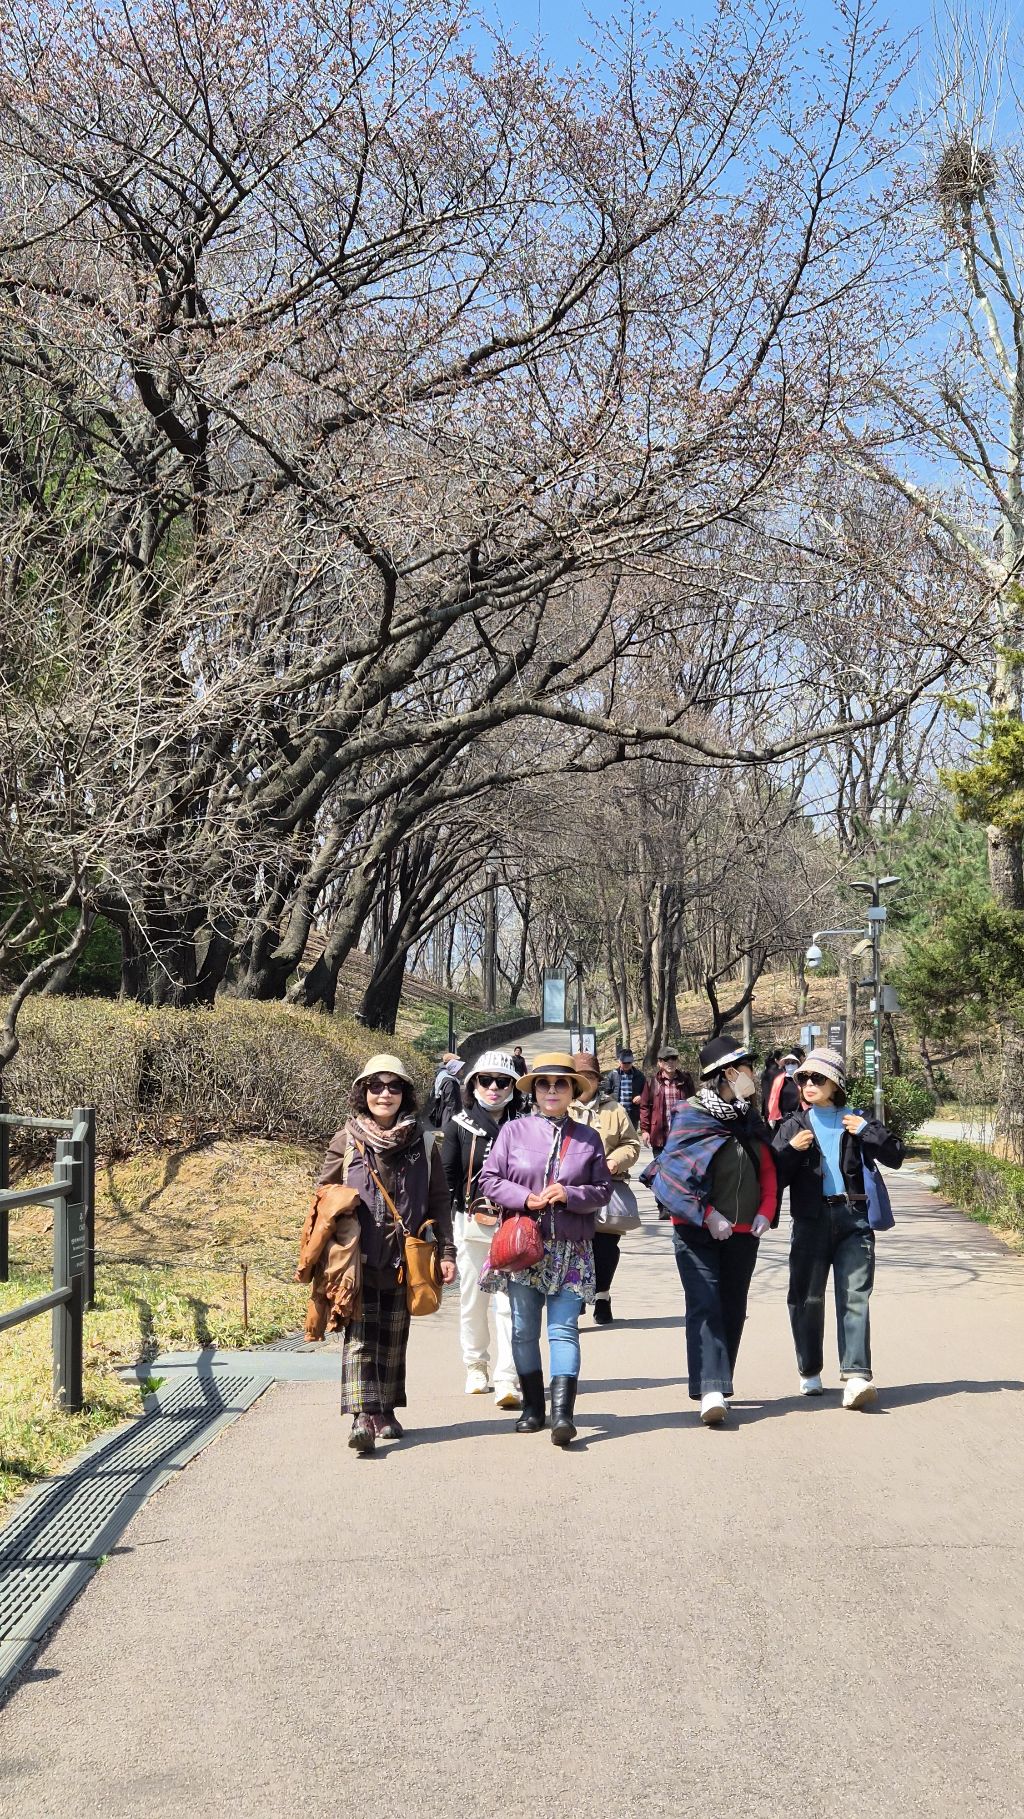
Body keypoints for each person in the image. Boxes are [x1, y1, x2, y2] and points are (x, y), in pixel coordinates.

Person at [318, 1053, 457, 1455]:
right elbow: (323, 1194)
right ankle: (362, 1417)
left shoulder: (423, 1142)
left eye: (393, 1086)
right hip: (356, 1257)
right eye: (375, 1086)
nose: (384, 1094)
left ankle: (386, 1410)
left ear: (405, 1094)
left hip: (404, 1256)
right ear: (363, 1093)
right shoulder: (346, 1140)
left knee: (394, 1338)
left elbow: (439, 1199)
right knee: (360, 1336)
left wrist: (446, 1251)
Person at [478, 1050, 613, 1446]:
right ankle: (533, 1408)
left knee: (564, 1329)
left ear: (572, 1090)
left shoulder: (588, 1138)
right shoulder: (513, 1132)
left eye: (560, 1084)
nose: (552, 1090)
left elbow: (603, 1189)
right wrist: (525, 1197)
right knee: (523, 1330)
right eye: (544, 1083)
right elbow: (489, 1179)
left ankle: (563, 1414)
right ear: (534, 1090)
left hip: (571, 1247)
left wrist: (570, 1194)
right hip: (523, 1246)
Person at [645, 1034, 777, 1426]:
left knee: (733, 1307)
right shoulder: (691, 1115)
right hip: (696, 1230)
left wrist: (766, 1210)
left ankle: (721, 1380)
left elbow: (767, 1166)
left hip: (744, 1231)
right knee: (705, 1303)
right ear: (729, 1073)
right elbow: (672, 1175)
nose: (753, 1074)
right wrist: (707, 1215)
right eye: (747, 1068)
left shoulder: (750, 1118)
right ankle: (710, 1389)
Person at [772, 1047, 903, 1408]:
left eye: (817, 1078)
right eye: (803, 1078)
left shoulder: (857, 1119)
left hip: (854, 1218)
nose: (808, 1084)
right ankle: (809, 1370)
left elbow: (896, 1154)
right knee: (806, 1297)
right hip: (810, 1219)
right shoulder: (793, 1125)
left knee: (855, 1295)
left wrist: (867, 1131)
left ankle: (856, 1375)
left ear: (836, 1084)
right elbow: (773, 1176)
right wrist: (791, 1151)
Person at [441, 1049, 523, 1406]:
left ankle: (508, 1376)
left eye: (502, 1081)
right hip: (472, 1223)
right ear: (473, 1083)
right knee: (474, 1299)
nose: (493, 1088)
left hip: (516, 1225)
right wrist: (442, 1236)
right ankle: (475, 1365)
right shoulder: (459, 1125)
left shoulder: (525, 1124)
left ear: (513, 1086)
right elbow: (446, 1182)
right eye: (485, 1080)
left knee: (510, 1304)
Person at [571, 1051, 641, 1324]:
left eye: (590, 1076)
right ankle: (574, 1298)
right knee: (573, 1247)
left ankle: (602, 1295)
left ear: (598, 1079)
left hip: (606, 1188)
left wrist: (614, 1161)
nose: (586, 1081)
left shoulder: (614, 1109)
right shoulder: (562, 1106)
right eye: (580, 1076)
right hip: (570, 1191)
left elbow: (631, 1144)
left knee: (605, 1248)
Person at [639, 1047, 697, 1155]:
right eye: (666, 1059)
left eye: (673, 1058)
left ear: (677, 1061)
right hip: (659, 1136)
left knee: (681, 1165)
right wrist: (645, 1131)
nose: (670, 1062)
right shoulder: (652, 1082)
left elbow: (693, 1105)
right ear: (659, 1063)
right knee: (660, 1165)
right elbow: (644, 1107)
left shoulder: (686, 1080)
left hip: (682, 1135)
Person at [602, 1048, 645, 1127]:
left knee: (631, 1133)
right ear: (619, 1061)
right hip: (616, 1112)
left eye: (629, 1062)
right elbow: (606, 1094)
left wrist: (641, 1097)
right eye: (624, 1062)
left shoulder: (639, 1076)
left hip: (633, 1114)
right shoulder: (612, 1075)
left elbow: (647, 1093)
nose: (626, 1064)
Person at [766, 1052, 802, 1129]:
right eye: (787, 1063)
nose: (790, 1065)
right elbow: (773, 1098)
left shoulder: (802, 1080)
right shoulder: (779, 1080)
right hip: (783, 1119)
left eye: (793, 1063)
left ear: (797, 1065)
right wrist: (772, 1116)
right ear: (784, 1066)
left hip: (800, 1118)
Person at [429, 1053, 464, 1129]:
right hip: (448, 1116)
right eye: (457, 1062)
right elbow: (451, 1103)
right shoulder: (449, 1081)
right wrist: (457, 1120)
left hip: (443, 1111)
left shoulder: (441, 1073)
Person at [760, 1049, 785, 1119]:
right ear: (776, 1060)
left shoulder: (764, 1073)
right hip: (778, 1110)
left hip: (766, 1109)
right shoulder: (781, 1073)